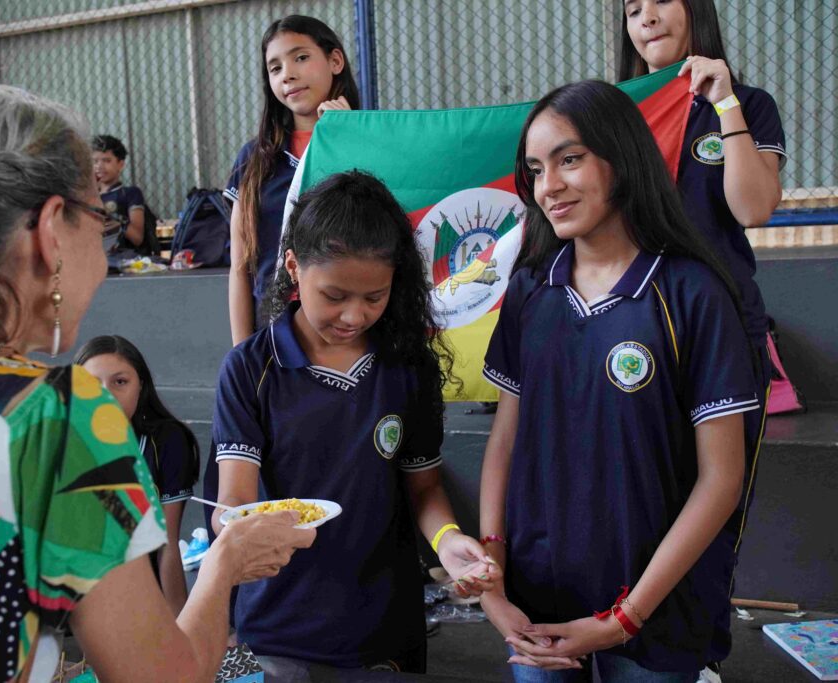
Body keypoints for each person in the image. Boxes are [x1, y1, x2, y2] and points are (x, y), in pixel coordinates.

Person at [0, 85, 314, 683]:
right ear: (52, 230)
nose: (102, 260)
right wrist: (225, 564)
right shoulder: (51, 416)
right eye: (99, 223)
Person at [478, 80, 759, 680]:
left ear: (623, 157)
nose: (548, 185)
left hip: (655, 626)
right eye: (535, 168)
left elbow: (721, 480)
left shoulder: (693, 294)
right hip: (539, 618)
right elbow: (506, 441)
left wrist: (623, 618)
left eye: (569, 159)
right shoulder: (529, 290)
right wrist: (492, 578)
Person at [208, 170, 497, 675]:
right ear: (294, 268)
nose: (354, 316)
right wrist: (235, 531)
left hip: (383, 626)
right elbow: (233, 499)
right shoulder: (253, 369)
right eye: (335, 296)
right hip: (281, 628)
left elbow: (424, 487)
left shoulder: (408, 366)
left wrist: (450, 541)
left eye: (374, 297)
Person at [620, 0, 786, 585]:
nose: (645, 16)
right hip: (634, 329)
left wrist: (726, 106)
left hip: (725, 330)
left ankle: (701, 655)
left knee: (717, 502)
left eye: (659, 0)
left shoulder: (749, 104)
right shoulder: (617, 114)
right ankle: (626, 628)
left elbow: (754, 207)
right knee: (639, 496)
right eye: (632, 8)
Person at [225, 15, 360, 344]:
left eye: (301, 57)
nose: (289, 74)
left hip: (354, 335)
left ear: (335, 60)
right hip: (275, 337)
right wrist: (242, 357)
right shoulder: (254, 159)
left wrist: (346, 139)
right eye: (275, 68)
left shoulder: (370, 142)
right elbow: (241, 267)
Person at [74, 335, 199, 616]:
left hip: (143, 606)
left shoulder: (167, 441)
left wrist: (182, 627)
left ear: (140, 386)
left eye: (120, 382)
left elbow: (166, 544)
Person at [92, 134, 149, 251]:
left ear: (120, 164)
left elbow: (137, 238)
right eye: (95, 161)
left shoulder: (130, 194)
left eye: (107, 161)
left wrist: (109, 215)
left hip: (122, 260)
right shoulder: (87, 196)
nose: (99, 166)